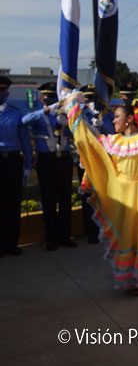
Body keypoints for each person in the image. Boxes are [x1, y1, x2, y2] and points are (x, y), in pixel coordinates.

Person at [63, 94, 138, 294]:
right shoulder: (112, 141)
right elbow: (89, 143)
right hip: (122, 194)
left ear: (130, 119)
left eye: (118, 116)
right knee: (125, 236)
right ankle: (129, 278)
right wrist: (75, 112)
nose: (114, 120)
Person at [22, 82, 77, 251]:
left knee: (65, 199)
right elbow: (23, 122)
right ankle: (51, 238)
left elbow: (76, 131)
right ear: (41, 98)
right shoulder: (38, 115)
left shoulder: (64, 114)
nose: (52, 99)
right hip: (46, 160)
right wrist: (44, 111)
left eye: (54, 96)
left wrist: (68, 118)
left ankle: (65, 236)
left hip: (64, 159)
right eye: (48, 97)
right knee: (49, 199)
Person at [0, 76, 33, 257]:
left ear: (7, 92)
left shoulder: (16, 113)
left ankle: (12, 243)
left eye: (2, 90)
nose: (1, 94)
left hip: (13, 161)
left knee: (13, 204)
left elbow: (25, 140)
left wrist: (28, 165)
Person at [74, 85, 100, 243]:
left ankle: (104, 229)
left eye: (92, 98)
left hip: (101, 159)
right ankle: (91, 231)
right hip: (84, 160)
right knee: (87, 195)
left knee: (104, 195)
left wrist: (101, 123)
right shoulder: (78, 114)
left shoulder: (101, 112)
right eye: (87, 98)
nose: (90, 101)